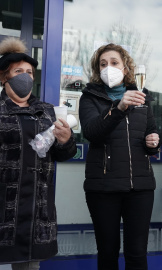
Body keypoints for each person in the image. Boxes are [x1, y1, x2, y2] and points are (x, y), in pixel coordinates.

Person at [79, 43, 160, 270]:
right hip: (103, 188)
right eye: (103, 64)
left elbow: (151, 134)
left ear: (126, 68)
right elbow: (92, 132)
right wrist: (119, 107)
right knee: (108, 253)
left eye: (114, 63)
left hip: (140, 187)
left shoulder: (142, 96)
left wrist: (153, 142)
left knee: (137, 254)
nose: (108, 68)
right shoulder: (89, 98)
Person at [0, 37, 77, 270]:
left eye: (30, 72)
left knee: (30, 266)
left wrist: (65, 141)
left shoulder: (46, 111)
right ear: (4, 77)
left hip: (36, 205)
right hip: (4, 202)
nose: (26, 76)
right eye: (18, 71)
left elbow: (63, 154)